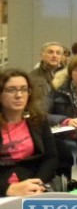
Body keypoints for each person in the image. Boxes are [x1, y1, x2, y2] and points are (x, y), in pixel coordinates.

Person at [0, 69, 58, 197]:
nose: (19, 95)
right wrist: (7, 188)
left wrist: (37, 183)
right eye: (11, 90)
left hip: (33, 183)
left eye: (24, 89)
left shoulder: (38, 120)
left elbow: (51, 158)